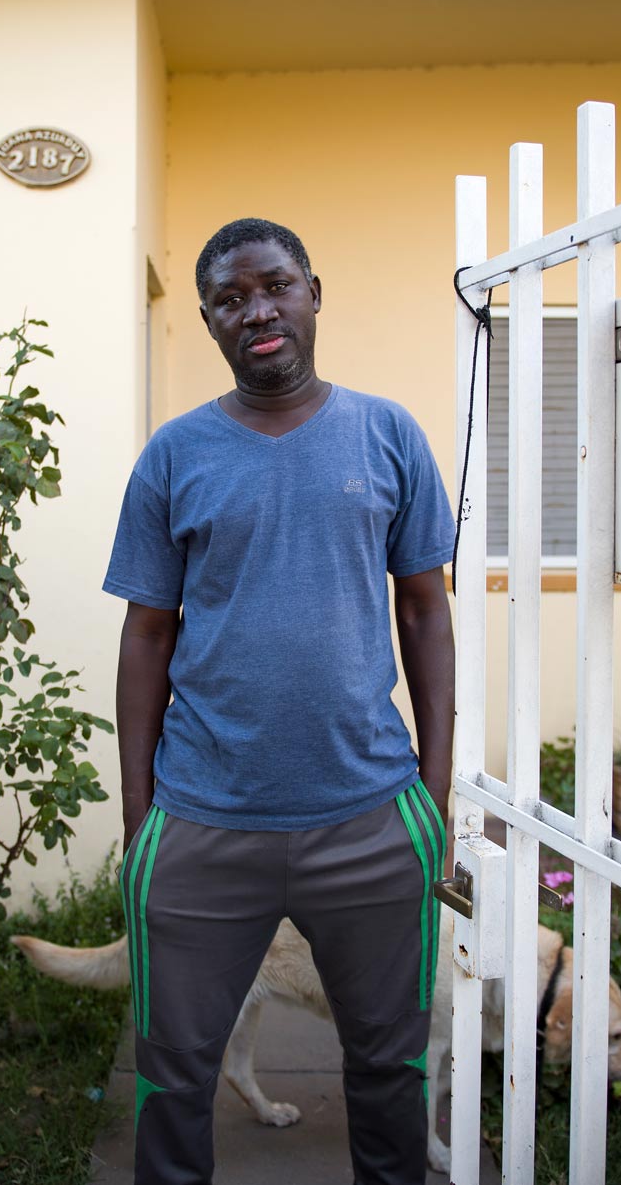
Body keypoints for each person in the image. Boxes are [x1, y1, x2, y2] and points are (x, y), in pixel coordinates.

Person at [103, 217, 456, 1185]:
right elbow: (146, 633)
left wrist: (433, 791)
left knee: (389, 1067)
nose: (256, 309)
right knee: (172, 1076)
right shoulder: (176, 454)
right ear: (212, 320)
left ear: (312, 290)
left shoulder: (388, 434)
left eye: (275, 286)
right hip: (205, 819)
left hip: (369, 816)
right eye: (229, 298)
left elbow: (425, 611)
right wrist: (141, 815)